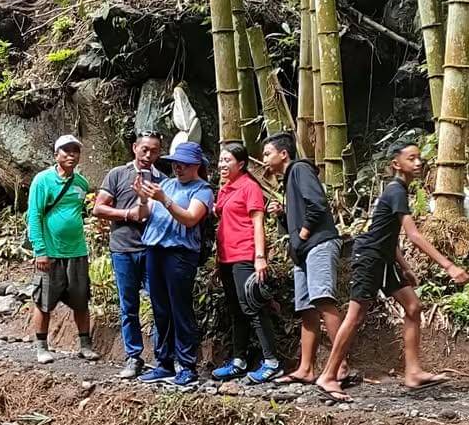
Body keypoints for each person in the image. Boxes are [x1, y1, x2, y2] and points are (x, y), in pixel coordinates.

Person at [316, 140, 469, 401]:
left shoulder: (398, 191)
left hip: (383, 257)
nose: (418, 162)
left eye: (419, 158)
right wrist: (450, 266)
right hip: (369, 257)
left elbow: (386, 233)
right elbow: (413, 235)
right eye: (411, 158)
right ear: (396, 165)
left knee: (413, 307)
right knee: (355, 315)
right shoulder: (396, 190)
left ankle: (413, 372)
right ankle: (328, 375)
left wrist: (405, 266)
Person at [261, 132, 351, 385]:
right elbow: (302, 212)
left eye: (267, 154)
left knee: (323, 299)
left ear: (283, 154)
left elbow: (318, 204)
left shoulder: (300, 169)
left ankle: (342, 364)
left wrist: (302, 234)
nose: (264, 160)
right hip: (303, 250)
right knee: (307, 309)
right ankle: (306, 368)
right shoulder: (289, 180)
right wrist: (283, 215)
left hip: (317, 243)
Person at [134, 141, 215, 390]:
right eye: (175, 163)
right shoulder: (167, 183)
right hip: (154, 249)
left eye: (184, 164)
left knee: (180, 309)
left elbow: (190, 219)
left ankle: (187, 365)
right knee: (160, 308)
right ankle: (164, 362)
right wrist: (142, 198)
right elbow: (145, 214)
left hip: (179, 254)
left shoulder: (202, 190)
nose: (178, 168)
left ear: (196, 166)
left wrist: (164, 199)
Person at [92, 132, 166, 379]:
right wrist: (127, 214)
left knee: (159, 304)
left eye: (154, 151)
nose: (148, 155)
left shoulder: (162, 180)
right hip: (123, 248)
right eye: (144, 149)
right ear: (135, 148)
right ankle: (133, 357)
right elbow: (98, 208)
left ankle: (162, 357)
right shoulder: (117, 174)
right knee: (128, 305)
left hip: (152, 249)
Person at [26, 135, 100, 365]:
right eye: (66, 151)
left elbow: (84, 210)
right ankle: (41, 346)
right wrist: (40, 250)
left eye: (75, 151)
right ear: (56, 155)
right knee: (44, 301)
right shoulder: (43, 181)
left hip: (77, 251)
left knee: (81, 299)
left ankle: (85, 345)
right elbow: (34, 215)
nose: (71, 155)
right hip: (50, 252)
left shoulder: (80, 183)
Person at [212, 141, 281, 384]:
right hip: (226, 258)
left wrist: (260, 257)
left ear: (241, 164)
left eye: (227, 160)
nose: (222, 164)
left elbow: (257, 223)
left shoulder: (249, 187)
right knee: (236, 310)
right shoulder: (225, 189)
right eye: (221, 160)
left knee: (252, 306)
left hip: (244, 255)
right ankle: (238, 360)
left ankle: (272, 362)